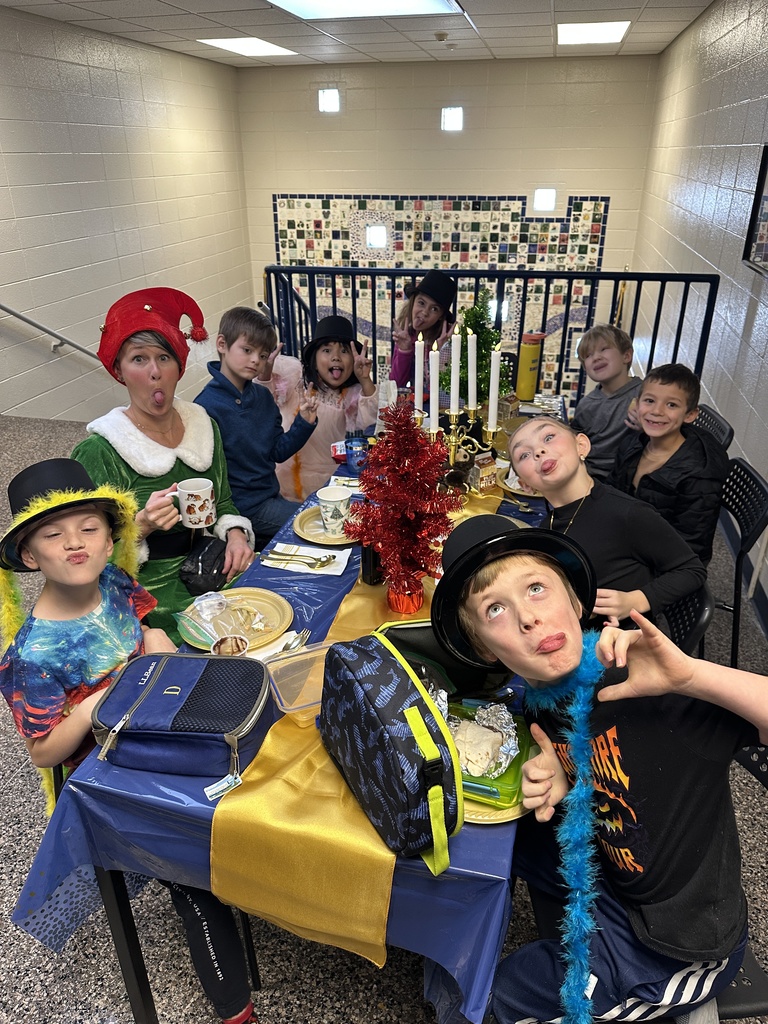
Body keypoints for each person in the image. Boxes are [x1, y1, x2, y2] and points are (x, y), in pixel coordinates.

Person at [431, 514, 764, 1024]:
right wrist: (566, 775)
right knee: (496, 838)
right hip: (611, 877)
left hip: (675, 943)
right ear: (483, 648)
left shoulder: (652, 688)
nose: (528, 618)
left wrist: (693, 678)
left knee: (497, 995)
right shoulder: (541, 696)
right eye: (495, 609)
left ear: (575, 602)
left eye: (536, 589)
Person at [0, 458, 259, 1024]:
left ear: (109, 538)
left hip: (158, 723)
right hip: (110, 776)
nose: (75, 543)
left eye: (89, 528)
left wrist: (152, 635)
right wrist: (94, 704)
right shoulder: (32, 656)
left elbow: (140, 629)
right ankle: (235, 1008)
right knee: (194, 874)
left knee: (254, 757)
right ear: (29, 555)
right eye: (53, 534)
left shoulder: (114, 582)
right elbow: (44, 751)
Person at [71, 288, 255, 643]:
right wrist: (141, 525)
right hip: (149, 599)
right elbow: (82, 557)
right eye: (139, 359)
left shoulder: (204, 426)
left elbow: (225, 503)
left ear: (179, 367)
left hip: (212, 567)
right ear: (120, 370)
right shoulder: (101, 450)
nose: (155, 372)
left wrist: (235, 535)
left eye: (164, 357)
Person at [509, 415, 706, 625]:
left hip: (616, 638)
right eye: (524, 455)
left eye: (548, 437)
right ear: (525, 485)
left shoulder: (627, 513)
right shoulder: (548, 523)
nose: (538, 451)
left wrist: (636, 600)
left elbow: (692, 569)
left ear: (581, 446)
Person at [194, 306, 318, 547]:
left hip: (270, 499)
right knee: (316, 520)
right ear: (222, 344)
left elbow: (277, 451)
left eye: (262, 355)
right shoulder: (205, 406)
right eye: (247, 350)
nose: (255, 360)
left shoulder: (262, 396)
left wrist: (304, 421)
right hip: (241, 510)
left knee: (320, 513)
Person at [608, 363, 730, 564]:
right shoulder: (632, 443)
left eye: (671, 405)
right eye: (649, 401)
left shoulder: (698, 476)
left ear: (690, 415)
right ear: (636, 404)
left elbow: (690, 547)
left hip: (666, 562)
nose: (657, 411)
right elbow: (611, 492)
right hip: (629, 537)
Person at [257, 314, 377, 502]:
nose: (336, 357)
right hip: (280, 484)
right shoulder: (294, 379)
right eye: (327, 350)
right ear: (314, 357)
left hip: (323, 485)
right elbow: (262, 404)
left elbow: (372, 421)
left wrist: (365, 380)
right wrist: (265, 376)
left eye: (344, 351)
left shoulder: (350, 395)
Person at [570, 324, 643, 480]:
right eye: (588, 355)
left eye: (603, 349)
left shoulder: (645, 395)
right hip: (590, 478)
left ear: (626, 356)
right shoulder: (586, 405)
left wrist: (646, 426)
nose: (596, 357)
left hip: (629, 480)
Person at [390, 269, 457, 401]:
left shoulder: (449, 339)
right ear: (413, 302)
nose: (425, 312)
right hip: (415, 405)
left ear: (440, 316)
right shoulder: (406, 336)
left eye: (434, 309)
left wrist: (443, 354)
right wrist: (404, 351)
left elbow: (449, 391)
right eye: (421, 303)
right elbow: (396, 385)